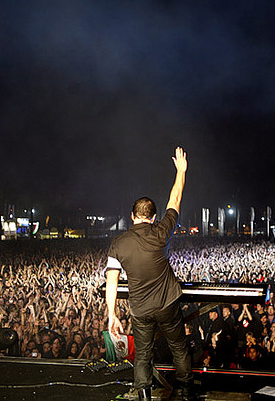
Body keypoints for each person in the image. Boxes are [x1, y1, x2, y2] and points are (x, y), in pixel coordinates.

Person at [104, 147, 193, 401]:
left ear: (132, 217)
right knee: (178, 348)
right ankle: (185, 391)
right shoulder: (161, 232)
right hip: (167, 304)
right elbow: (174, 200)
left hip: (140, 310)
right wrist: (181, 172)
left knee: (143, 354)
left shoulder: (118, 244)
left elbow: (112, 282)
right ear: (153, 218)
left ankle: (144, 395)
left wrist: (112, 315)